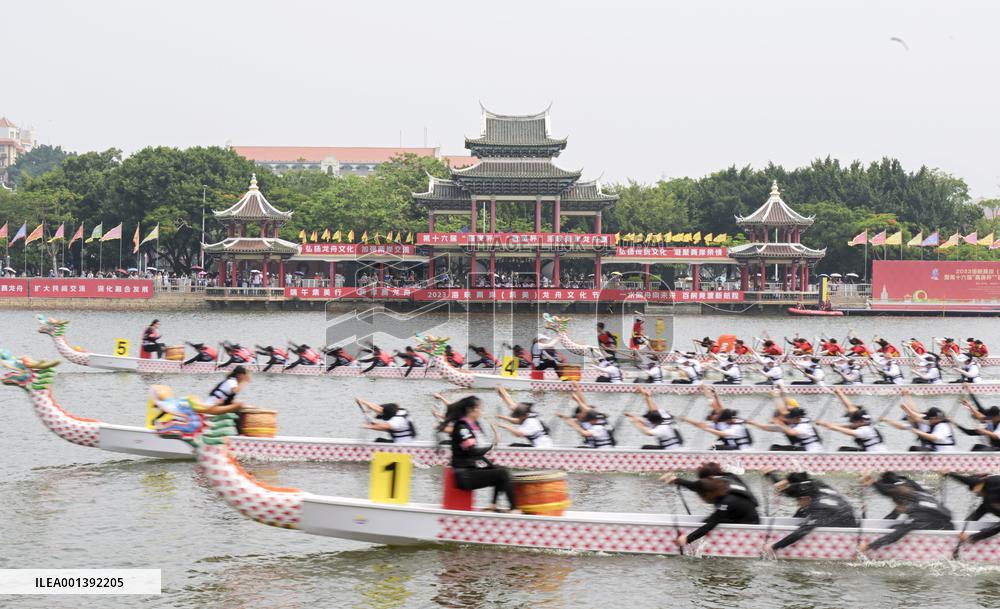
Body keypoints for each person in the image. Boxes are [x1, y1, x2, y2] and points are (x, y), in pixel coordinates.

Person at [443, 395, 519, 512]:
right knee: (502, 473)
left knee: (501, 469)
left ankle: (493, 505)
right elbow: (472, 451)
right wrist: (492, 445)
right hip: (464, 475)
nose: (480, 411)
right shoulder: (462, 428)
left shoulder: (471, 426)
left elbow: (477, 454)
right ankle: (514, 509)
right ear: (470, 410)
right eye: (479, 408)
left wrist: (492, 466)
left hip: (469, 470)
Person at [762, 470, 857, 552]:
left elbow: (803, 531)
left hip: (846, 527)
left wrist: (774, 546)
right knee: (802, 512)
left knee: (806, 524)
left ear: (805, 498)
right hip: (840, 510)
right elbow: (790, 491)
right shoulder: (815, 485)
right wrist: (771, 476)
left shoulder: (818, 506)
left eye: (798, 500)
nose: (797, 503)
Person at [860, 471, 953, 553]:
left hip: (945, 536)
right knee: (895, 526)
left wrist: (869, 546)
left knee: (900, 528)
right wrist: (873, 482)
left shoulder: (917, 513)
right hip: (942, 523)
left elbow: (896, 535)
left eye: (896, 504)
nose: (897, 508)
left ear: (903, 503)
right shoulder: (920, 495)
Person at [662, 475, 759, 550]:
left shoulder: (727, 501)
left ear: (707, 495)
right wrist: (677, 480)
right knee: (706, 521)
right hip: (737, 515)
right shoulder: (719, 485)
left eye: (700, 496)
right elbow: (697, 486)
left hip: (749, 524)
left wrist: (687, 539)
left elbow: (712, 523)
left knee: (710, 522)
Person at [880, 390, 956, 452]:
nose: (908, 420)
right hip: (932, 450)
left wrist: (907, 405)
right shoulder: (917, 424)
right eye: (907, 419)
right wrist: (886, 420)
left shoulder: (933, 424)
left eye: (908, 418)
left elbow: (916, 413)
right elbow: (899, 426)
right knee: (913, 448)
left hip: (942, 452)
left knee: (913, 449)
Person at [748, 390, 823, 452]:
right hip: (801, 448)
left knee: (776, 449)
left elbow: (783, 411)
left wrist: (776, 396)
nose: (787, 418)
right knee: (774, 448)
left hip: (811, 450)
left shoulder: (802, 424)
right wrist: (752, 423)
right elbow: (765, 427)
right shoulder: (788, 424)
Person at [815, 388, 886, 452]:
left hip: (876, 454)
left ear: (860, 421)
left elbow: (849, 432)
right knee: (843, 449)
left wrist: (832, 427)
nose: (852, 424)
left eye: (854, 422)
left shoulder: (866, 430)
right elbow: (850, 407)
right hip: (868, 451)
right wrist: (839, 392)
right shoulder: (863, 418)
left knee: (843, 451)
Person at [683, 386, 753, 451]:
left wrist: (714, 395)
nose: (717, 414)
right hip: (730, 444)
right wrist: (686, 419)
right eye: (715, 414)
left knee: (714, 447)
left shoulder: (722, 420)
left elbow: (716, 405)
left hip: (735, 446)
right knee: (713, 447)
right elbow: (699, 424)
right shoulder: (713, 424)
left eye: (717, 414)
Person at [946, 473, 1000, 544]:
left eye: (978, 493)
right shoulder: (988, 498)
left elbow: (996, 529)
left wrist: (972, 537)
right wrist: (963, 527)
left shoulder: (991, 489)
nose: (978, 495)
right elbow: (979, 512)